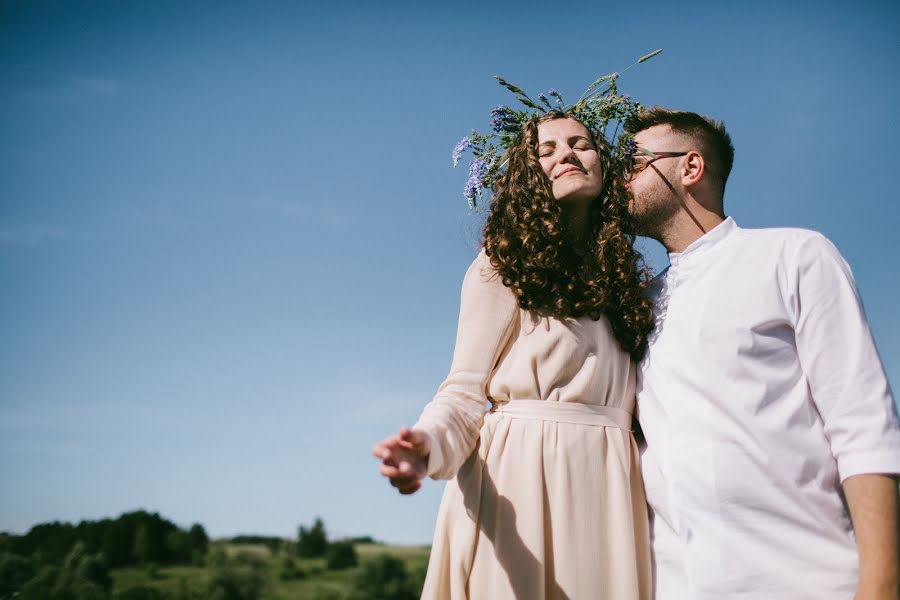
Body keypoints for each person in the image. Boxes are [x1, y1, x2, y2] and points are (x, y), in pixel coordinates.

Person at [373, 105, 656, 599]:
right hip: (519, 480)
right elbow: (463, 394)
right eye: (546, 151)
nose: (566, 153)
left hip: (610, 488)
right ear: (530, 179)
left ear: (604, 164)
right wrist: (427, 448)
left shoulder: (629, 281)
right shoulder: (501, 265)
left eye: (580, 144)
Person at [624, 107, 900, 599]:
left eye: (635, 161)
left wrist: (880, 587)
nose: (619, 175)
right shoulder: (635, 307)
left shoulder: (794, 256)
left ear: (690, 168)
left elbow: (863, 427)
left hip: (807, 582)